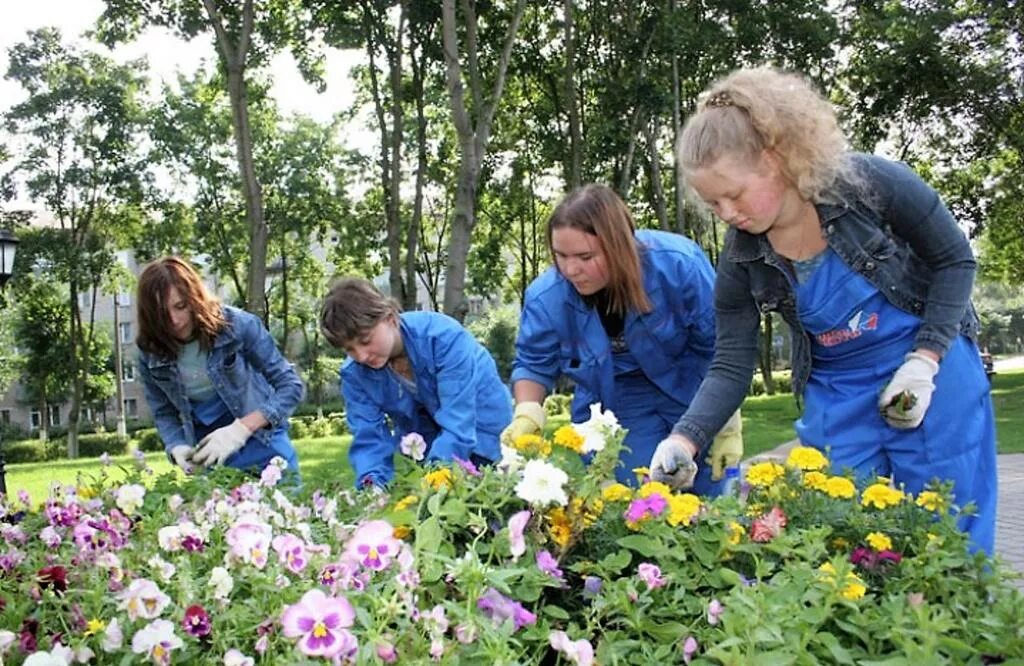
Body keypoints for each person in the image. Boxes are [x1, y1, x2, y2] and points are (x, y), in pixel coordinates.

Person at [653, 66, 997, 553]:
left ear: (774, 160)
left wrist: (925, 360)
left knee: (947, 534)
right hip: (838, 390)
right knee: (835, 533)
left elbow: (955, 260)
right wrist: (685, 440)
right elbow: (732, 361)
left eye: (734, 193)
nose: (728, 213)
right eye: (713, 204)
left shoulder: (870, 186)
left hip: (930, 372)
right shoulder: (741, 259)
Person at [505, 184, 743, 492]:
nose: (571, 269)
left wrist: (725, 422)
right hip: (615, 405)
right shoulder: (545, 298)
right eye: (561, 256)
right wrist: (528, 413)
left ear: (619, 246)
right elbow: (534, 364)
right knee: (638, 502)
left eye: (585, 256)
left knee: (714, 502)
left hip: (693, 390)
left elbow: (721, 347)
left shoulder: (679, 265)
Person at [320, 277, 512, 488]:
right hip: (427, 444)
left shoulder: (444, 338)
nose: (361, 356)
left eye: (366, 340)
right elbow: (368, 440)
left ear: (390, 318)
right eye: (349, 349)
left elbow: (459, 425)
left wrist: (434, 480)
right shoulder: (355, 374)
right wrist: (372, 488)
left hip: (484, 431)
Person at [136, 257, 305, 477]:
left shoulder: (239, 326)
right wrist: (176, 445)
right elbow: (163, 412)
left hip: (263, 439)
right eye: (161, 314)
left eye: (180, 306)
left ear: (194, 297)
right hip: (209, 451)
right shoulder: (149, 352)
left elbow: (291, 386)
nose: (174, 320)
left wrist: (241, 429)